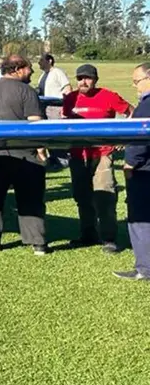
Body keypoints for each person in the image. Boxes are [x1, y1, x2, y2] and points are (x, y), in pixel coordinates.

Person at [0, 55, 50, 255]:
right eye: (29, 68)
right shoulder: (27, 92)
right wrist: (41, 150)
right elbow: (35, 124)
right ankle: (37, 242)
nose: (31, 72)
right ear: (17, 69)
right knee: (31, 197)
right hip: (24, 153)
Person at [61, 64, 132, 252]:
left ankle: (109, 238)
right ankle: (87, 234)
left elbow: (131, 112)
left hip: (102, 153)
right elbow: (66, 122)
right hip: (78, 154)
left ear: (95, 80)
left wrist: (123, 137)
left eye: (88, 78)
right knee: (81, 195)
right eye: (80, 78)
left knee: (104, 194)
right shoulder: (70, 98)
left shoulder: (109, 96)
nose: (83, 82)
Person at [116, 64, 150, 281]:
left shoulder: (146, 106)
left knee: (140, 218)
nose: (134, 85)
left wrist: (130, 163)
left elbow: (140, 139)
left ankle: (145, 268)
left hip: (145, 171)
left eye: (137, 81)